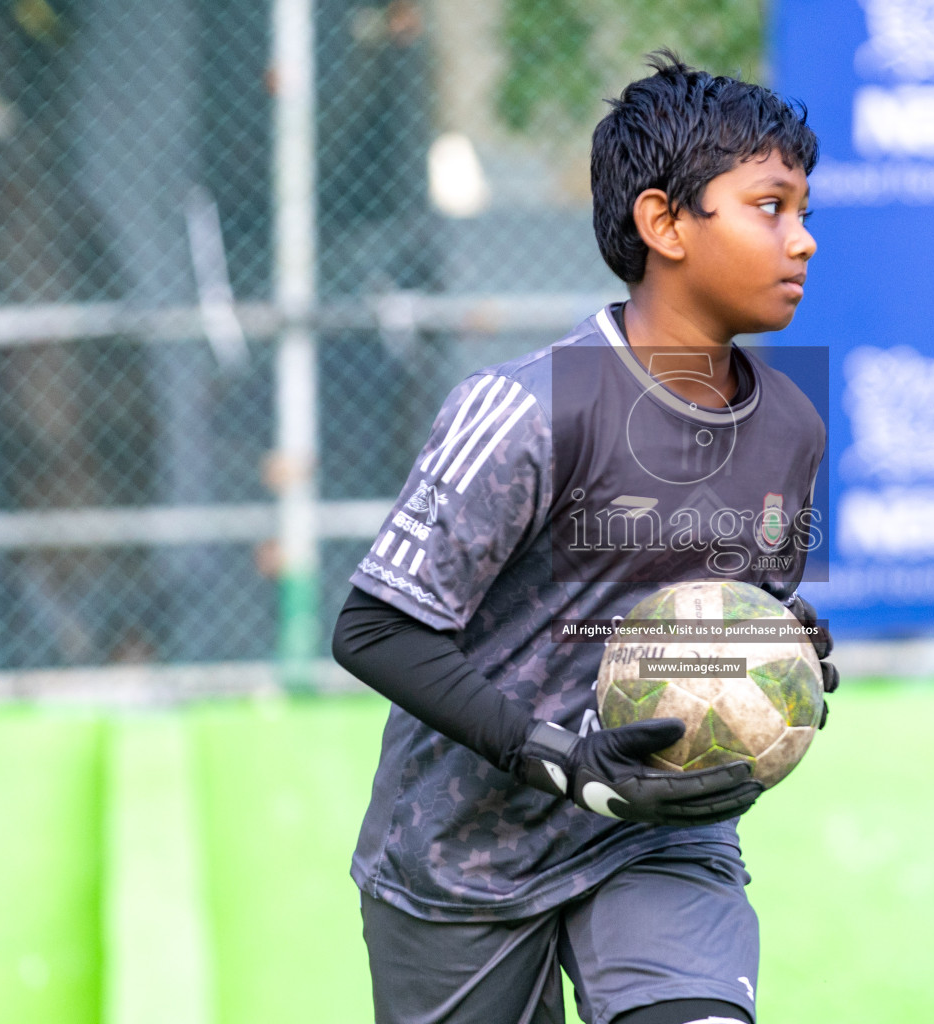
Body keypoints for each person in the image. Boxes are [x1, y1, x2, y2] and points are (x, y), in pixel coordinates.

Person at [332, 52, 837, 1024]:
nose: (803, 240)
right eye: (770, 207)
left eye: (806, 211)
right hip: (464, 861)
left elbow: (719, 613)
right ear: (664, 224)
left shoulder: (791, 429)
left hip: (659, 839)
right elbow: (375, 629)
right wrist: (560, 757)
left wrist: (783, 654)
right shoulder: (527, 410)